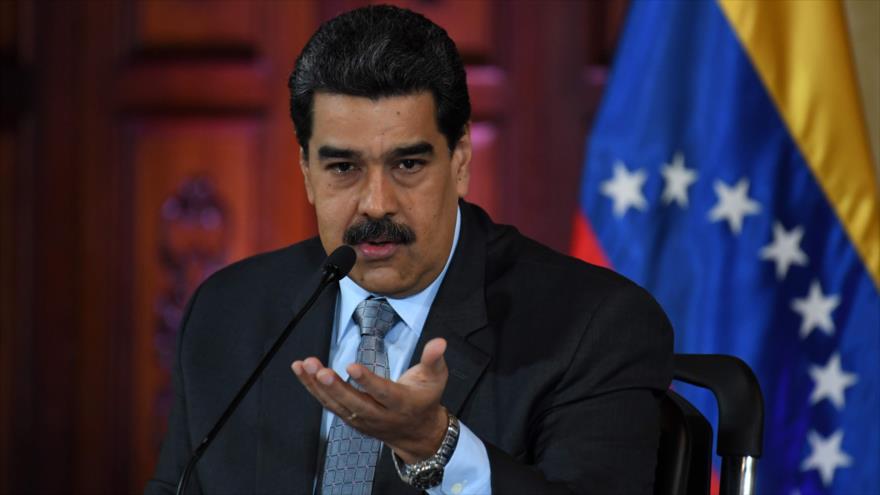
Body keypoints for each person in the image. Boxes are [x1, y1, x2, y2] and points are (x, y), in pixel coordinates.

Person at [146, 5, 672, 495]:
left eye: (408, 165)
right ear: (307, 172)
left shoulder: (593, 326)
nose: (376, 205)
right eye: (343, 168)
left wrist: (436, 445)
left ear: (460, 159)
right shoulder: (229, 311)